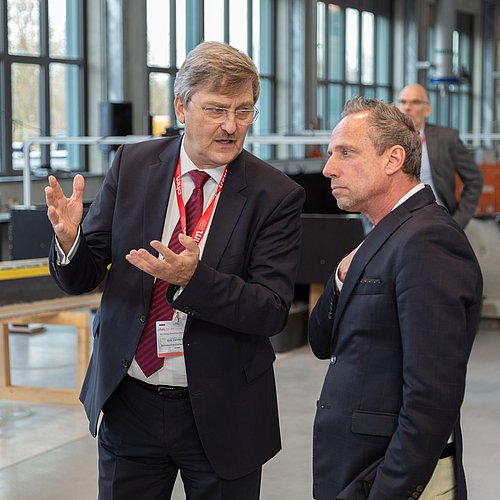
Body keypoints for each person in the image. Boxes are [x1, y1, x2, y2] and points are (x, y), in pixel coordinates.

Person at [45, 41, 305, 500]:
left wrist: (193, 280)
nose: (231, 126)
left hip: (224, 409)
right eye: (216, 109)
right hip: (130, 401)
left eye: (244, 111)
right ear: (181, 108)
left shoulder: (275, 195)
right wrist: (70, 241)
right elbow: (83, 276)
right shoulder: (134, 165)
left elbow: (270, 310)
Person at [309, 96, 483, 500]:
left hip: (389, 479)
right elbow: (321, 342)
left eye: (345, 153)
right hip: (355, 467)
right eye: (332, 153)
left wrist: (388, 489)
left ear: (393, 159)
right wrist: (341, 277)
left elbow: (431, 397)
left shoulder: (428, 240)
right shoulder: (384, 237)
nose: (328, 168)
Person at [398, 83, 483, 229]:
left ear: (428, 110)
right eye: (403, 102)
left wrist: (458, 222)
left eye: (415, 102)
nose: (407, 107)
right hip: (399, 222)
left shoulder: (447, 138)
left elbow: (474, 179)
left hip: (439, 222)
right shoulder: (387, 140)